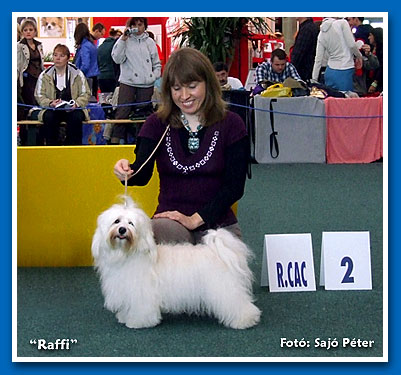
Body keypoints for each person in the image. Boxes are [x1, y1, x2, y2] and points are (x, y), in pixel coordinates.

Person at [113, 48, 248, 245]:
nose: (184, 96)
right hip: (169, 224)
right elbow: (141, 174)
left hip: (217, 223)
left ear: (208, 84)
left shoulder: (232, 124)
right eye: (176, 89)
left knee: (225, 258)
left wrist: (195, 219)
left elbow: (235, 187)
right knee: (160, 237)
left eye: (192, 86)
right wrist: (126, 171)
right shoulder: (156, 124)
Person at [110, 17, 162, 144]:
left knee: (143, 115)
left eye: (140, 24)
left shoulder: (150, 42)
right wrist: (123, 39)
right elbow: (116, 59)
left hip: (146, 84)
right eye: (134, 25)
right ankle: (114, 143)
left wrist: (153, 76)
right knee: (122, 113)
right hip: (127, 83)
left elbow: (157, 63)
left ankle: (142, 143)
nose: (137, 28)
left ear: (145, 26)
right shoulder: (124, 41)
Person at [34, 44, 91, 145]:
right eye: (55, 55)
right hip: (52, 108)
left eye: (61, 56)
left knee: (76, 117)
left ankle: (74, 149)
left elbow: (86, 93)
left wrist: (76, 104)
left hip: (73, 108)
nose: (58, 58)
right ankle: (52, 148)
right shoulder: (44, 75)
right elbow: (39, 95)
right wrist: (50, 103)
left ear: (68, 58)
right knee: (49, 117)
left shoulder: (78, 74)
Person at [312, 17, 363, 91]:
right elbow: (352, 45)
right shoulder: (342, 23)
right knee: (346, 101)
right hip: (345, 69)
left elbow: (318, 60)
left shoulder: (321, 34)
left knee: (331, 101)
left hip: (329, 72)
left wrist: (314, 80)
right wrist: (359, 56)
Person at [17, 19, 44, 135]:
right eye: (25, 30)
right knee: (27, 107)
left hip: (39, 79)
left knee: (38, 106)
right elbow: (18, 65)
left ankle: (37, 135)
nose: (28, 32)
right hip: (26, 80)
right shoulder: (19, 46)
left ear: (35, 31)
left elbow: (41, 62)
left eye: (31, 30)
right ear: (22, 32)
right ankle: (25, 136)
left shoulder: (39, 45)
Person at [74, 22, 100, 100]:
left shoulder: (84, 46)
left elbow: (85, 64)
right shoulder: (91, 44)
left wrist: (78, 74)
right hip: (94, 75)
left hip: (87, 77)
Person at [290, 17, 319, 81]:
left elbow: (298, 54)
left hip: (304, 73)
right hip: (309, 71)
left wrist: (290, 70)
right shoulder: (309, 27)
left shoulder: (306, 29)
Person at [97, 28, 122, 93]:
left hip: (101, 77)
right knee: (113, 99)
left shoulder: (100, 47)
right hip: (112, 76)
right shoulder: (115, 46)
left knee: (104, 100)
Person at [367, 27, 383, 94]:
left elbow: (382, 67)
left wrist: (375, 83)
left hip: (379, 82)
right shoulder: (372, 48)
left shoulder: (382, 49)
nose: (368, 38)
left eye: (370, 35)